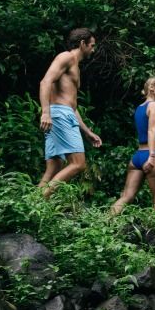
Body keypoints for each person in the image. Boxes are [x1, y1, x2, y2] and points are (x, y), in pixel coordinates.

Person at [37, 28, 103, 196]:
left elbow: (71, 106)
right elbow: (45, 82)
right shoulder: (66, 57)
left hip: (63, 113)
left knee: (55, 166)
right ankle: (40, 202)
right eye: (92, 45)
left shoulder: (75, 65)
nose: (93, 50)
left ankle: (32, 207)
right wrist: (46, 113)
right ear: (82, 44)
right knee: (78, 164)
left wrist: (86, 132)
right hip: (59, 115)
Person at [109, 76, 155, 214]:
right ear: (151, 88)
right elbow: (151, 131)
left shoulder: (139, 108)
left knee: (126, 197)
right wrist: (153, 156)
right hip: (153, 155)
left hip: (138, 157)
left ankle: (103, 225)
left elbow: (144, 133)